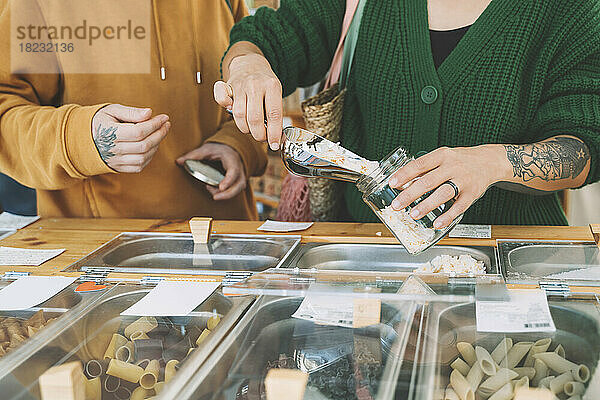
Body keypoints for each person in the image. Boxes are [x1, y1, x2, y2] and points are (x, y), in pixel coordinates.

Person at [214, 0, 600, 227]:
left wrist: (493, 163)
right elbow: (269, 37)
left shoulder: (571, 10)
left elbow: (584, 147)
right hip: (366, 270)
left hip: (508, 278)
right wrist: (248, 65)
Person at [0, 0, 266, 219]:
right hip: (100, 258)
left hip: (227, 241)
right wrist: (80, 140)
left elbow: (252, 88)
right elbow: (5, 112)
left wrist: (236, 145)